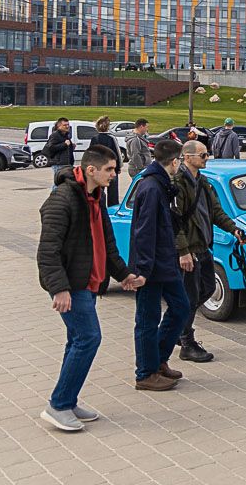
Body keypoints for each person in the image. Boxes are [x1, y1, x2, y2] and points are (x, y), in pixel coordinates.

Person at [37, 144, 144, 431]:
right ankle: (58, 405)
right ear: (91, 170)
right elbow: (47, 251)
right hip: (72, 285)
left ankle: (67, 400)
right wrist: (59, 288)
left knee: (77, 340)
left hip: (89, 282)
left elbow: (107, 244)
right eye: (110, 169)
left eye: (115, 169)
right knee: (88, 338)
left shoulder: (96, 197)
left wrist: (123, 275)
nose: (114, 174)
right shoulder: (62, 200)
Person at [172, 141, 246, 363]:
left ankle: (177, 326)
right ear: (188, 157)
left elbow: (215, 211)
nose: (207, 158)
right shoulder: (178, 183)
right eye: (203, 155)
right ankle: (186, 342)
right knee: (190, 296)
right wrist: (183, 251)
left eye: (207, 154)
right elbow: (174, 221)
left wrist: (234, 229)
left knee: (208, 289)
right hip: (190, 249)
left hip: (204, 246)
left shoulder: (202, 181)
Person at [128, 139, 189, 392]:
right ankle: (145, 373)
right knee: (147, 318)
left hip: (165, 261)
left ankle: (159, 359)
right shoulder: (151, 187)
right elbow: (144, 232)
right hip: (151, 266)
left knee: (181, 307)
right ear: (174, 161)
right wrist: (142, 270)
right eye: (180, 161)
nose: (180, 165)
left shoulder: (162, 184)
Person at [90, 116, 123, 207]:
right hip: (111, 169)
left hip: (99, 169)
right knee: (113, 193)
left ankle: (99, 209)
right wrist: (119, 167)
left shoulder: (94, 139)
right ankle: (112, 209)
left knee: (99, 192)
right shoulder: (111, 138)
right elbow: (117, 154)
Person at [44, 117, 75, 190]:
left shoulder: (66, 135)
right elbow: (51, 147)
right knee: (58, 183)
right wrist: (64, 144)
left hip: (66, 163)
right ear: (59, 126)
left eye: (68, 125)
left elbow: (65, 148)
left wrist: (71, 146)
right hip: (59, 164)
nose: (67, 126)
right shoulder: (55, 135)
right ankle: (54, 195)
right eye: (64, 125)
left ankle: (60, 195)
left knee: (64, 183)